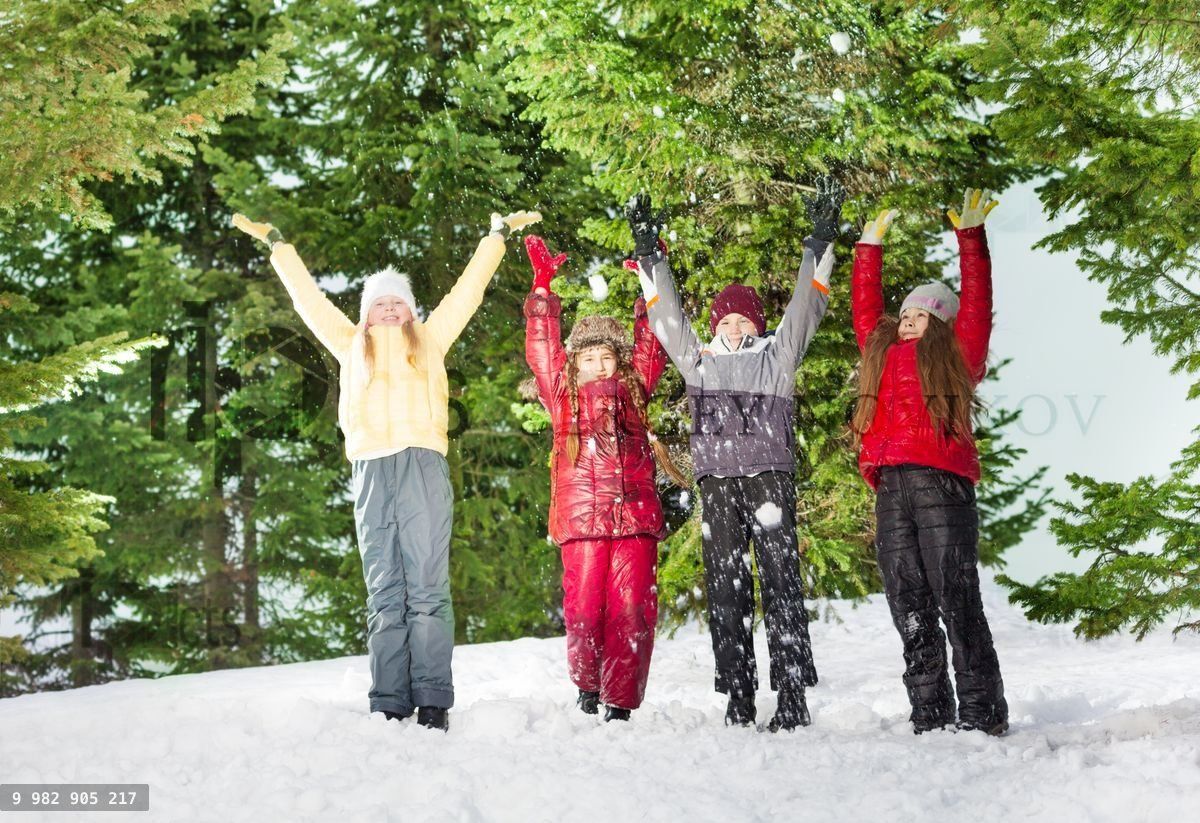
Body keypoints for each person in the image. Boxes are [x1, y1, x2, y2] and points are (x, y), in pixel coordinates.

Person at [231, 208, 541, 731]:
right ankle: (390, 699)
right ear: (367, 314)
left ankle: (433, 698)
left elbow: (467, 291)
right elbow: (307, 300)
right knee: (384, 590)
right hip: (372, 471)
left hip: (422, 466)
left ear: (412, 311)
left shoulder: (432, 339)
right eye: (381, 303)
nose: (391, 308)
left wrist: (496, 236)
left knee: (427, 586)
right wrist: (278, 245)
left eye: (398, 302)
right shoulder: (349, 344)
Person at [628, 179, 841, 731]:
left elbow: (807, 305)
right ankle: (738, 694)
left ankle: (791, 694)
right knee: (726, 588)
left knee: (781, 583)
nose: (734, 327)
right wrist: (650, 256)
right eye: (725, 320)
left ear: (758, 325)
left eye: (743, 319)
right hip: (718, 482)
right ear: (715, 327)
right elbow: (666, 318)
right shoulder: (697, 362)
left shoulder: (778, 356)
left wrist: (819, 242)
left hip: (769, 478)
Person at [849, 188, 1008, 735]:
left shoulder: (958, 356)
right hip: (892, 488)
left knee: (956, 597)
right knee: (908, 602)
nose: (910, 320)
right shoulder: (882, 354)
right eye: (907, 313)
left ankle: (983, 713)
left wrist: (971, 239)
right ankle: (930, 713)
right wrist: (869, 248)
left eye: (922, 314)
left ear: (941, 324)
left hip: (941, 483)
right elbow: (866, 312)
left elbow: (977, 305)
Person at [521, 233, 688, 722]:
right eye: (589, 358)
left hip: (634, 518)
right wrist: (542, 288)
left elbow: (653, 340)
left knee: (632, 612)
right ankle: (588, 687)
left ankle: (620, 701)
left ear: (619, 361)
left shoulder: (635, 389)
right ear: (575, 362)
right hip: (581, 521)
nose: (598, 366)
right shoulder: (561, 394)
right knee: (584, 611)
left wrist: (652, 279)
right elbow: (542, 346)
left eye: (607, 358)